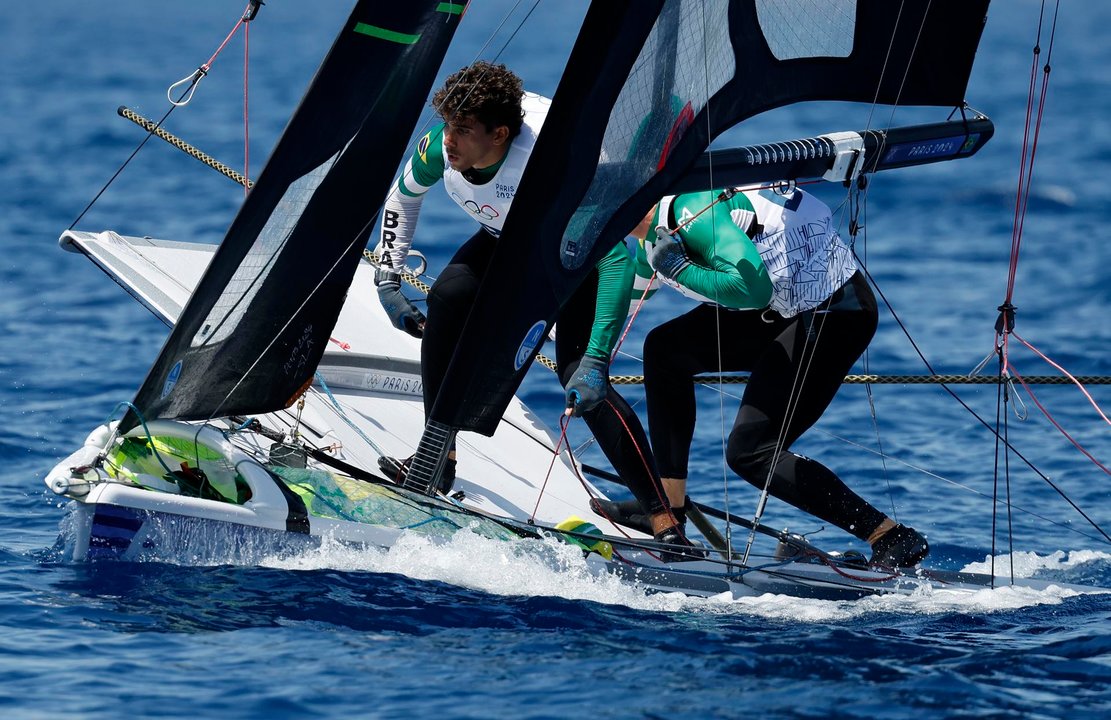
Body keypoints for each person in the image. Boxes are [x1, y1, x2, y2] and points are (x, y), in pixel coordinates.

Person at [370, 62, 698, 558]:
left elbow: (614, 255)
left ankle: (664, 521)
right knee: (448, 299)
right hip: (509, 239)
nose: (448, 140)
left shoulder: (549, 164)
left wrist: (597, 357)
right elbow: (403, 196)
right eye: (448, 125)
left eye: (462, 130)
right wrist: (388, 277)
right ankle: (438, 456)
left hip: (582, 256)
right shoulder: (443, 145)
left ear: (500, 134)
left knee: (578, 380)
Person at [596, 185, 929, 568]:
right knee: (664, 350)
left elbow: (753, 291)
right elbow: (621, 301)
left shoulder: (694, 216)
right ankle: (668, 511)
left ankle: (890, 535)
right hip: (781, 308)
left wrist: (680, 268)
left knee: (751, 453)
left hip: (834, 313)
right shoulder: (646, 243)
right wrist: (575, 352)